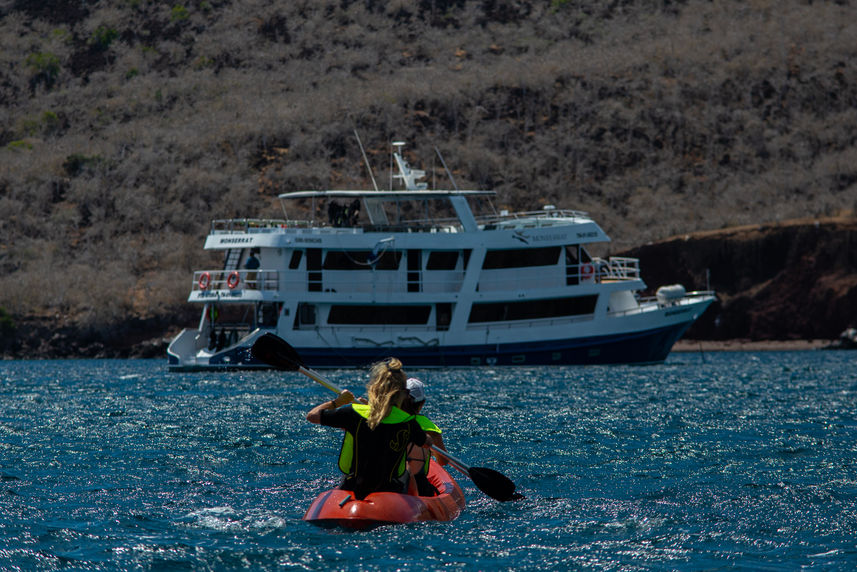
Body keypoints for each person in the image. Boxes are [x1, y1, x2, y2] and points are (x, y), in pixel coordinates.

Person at [306, 358, 433, 499]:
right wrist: (427, 437)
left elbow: (312, 416)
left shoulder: (354, 413)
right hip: (389, 490)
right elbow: (426, 443)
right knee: (407, 469)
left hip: (354, 487)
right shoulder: (408, 421)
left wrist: (337, 402)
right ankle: (417, 504)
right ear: (402, 393)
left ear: (374, 388)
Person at [402, 377, 448, 497]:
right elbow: (443, 461)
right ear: (422, 403)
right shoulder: (431, 429)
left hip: (391, 482)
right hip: (419, 484)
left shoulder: (389, 420)